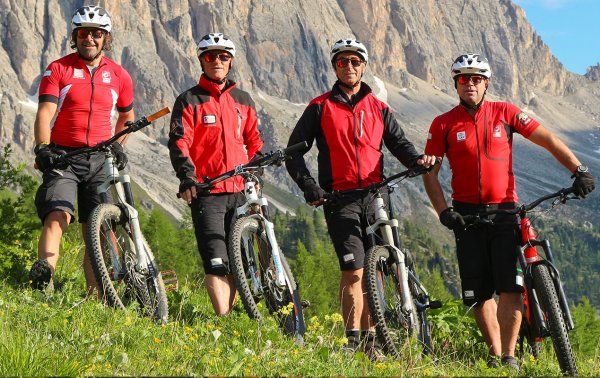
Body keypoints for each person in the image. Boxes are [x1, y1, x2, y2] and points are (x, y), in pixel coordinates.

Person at [422, 53, 595, 370]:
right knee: (478, 293)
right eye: (463, 79)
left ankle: (509, 356)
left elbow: (548, 139)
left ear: (486, 83)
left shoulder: (505, 113)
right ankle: (494, 353)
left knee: (510, 286)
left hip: (504, 212)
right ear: (456, 84)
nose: (469, 84)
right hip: (466, 215)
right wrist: (443, 211)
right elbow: (429, 173)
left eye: (476, 79)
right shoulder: (443, 123)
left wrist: (579, 169)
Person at [285, 38, 437, 359]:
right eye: (343, 62)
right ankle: (354, 341)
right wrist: (310, 187)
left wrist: (416, 161)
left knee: (380, 269)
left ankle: (375, 339)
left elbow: (398, 143)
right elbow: (293, 153)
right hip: (339, 199)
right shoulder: (319, 107)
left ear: (364, 66)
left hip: (376, 196)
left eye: (355, 61)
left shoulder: (379, 108)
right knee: (353, 270)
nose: (349, 67)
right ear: (335, 66)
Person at [30, 5, 134, 293]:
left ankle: (97, 297)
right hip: (64, 156)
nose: (90, 39)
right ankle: (44, 284)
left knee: (98, 231)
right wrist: (42, 147)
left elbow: (127, 116)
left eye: (97, 34)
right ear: (75, 37)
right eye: (84, 33)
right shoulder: (59, 69)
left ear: (106, 39)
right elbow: (44, 113)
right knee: (57, 216)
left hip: (100, 158)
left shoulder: (118, 75)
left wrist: (118, 143)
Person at [168, 33, 263, 316]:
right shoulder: (188, 100)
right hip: (208, 192)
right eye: (210, 56)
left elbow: (255, 141)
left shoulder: (243, 100)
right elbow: (179, 142)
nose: (217, 61)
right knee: (216, 260)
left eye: (223, 56)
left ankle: (236, 314)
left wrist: (254, 170)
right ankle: (224, 320)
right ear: (201, 60)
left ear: (231, 61)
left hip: (240, 192)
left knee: (241, 263)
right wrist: (187, 176)